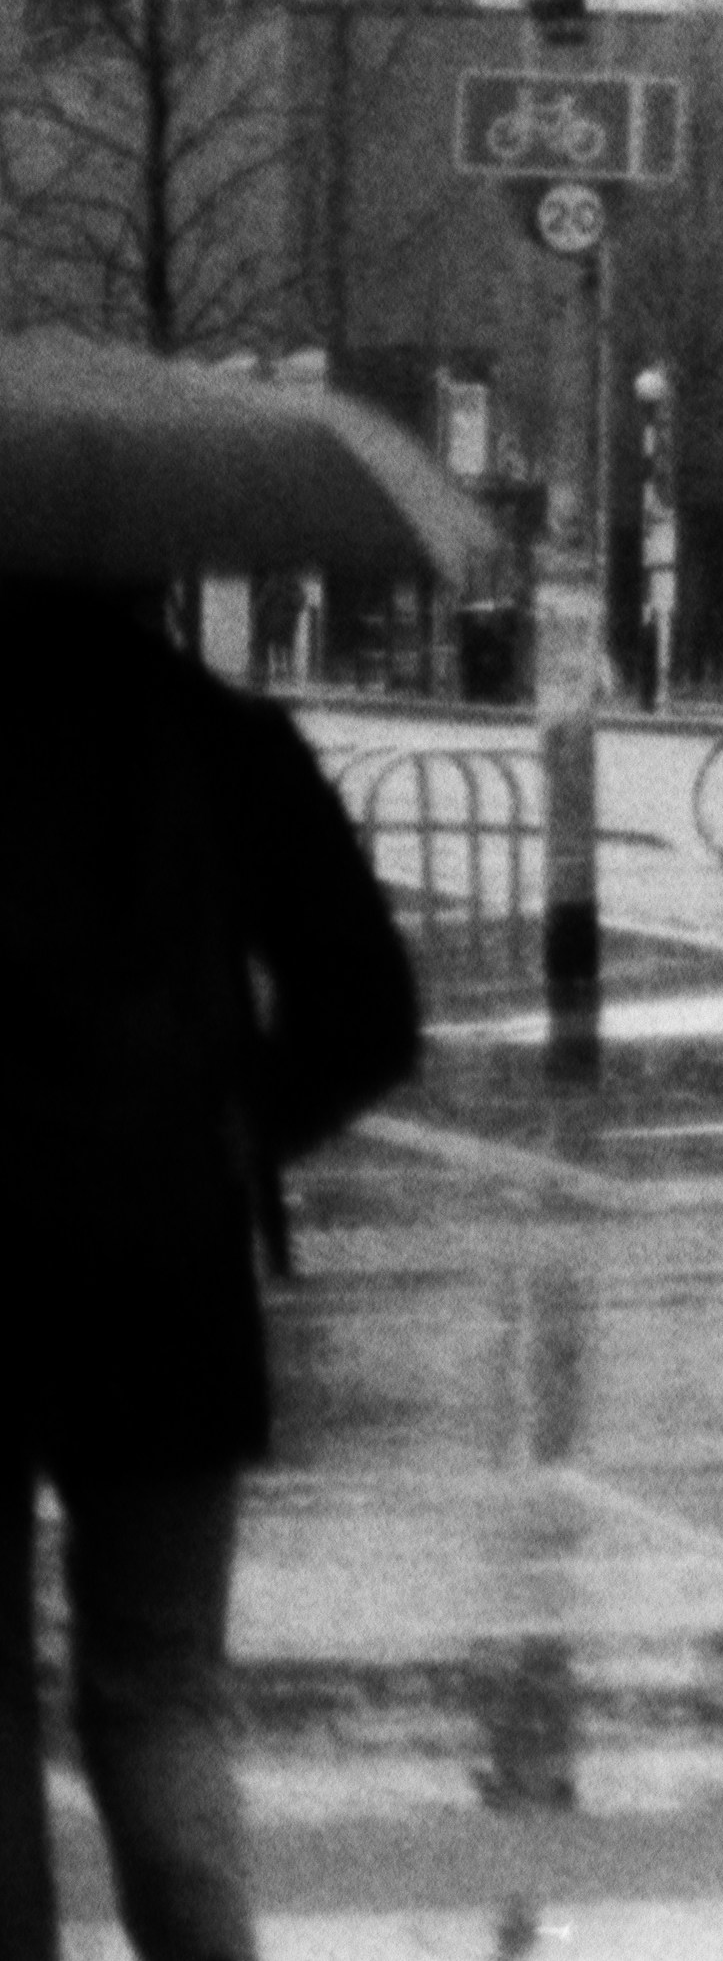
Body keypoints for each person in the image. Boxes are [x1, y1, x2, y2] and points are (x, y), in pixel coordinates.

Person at [5, 582, 423, 1961]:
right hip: (167, 1261)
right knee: (159, 1685)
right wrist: (241, 1129)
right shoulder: (230, 742)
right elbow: (368, 1010)